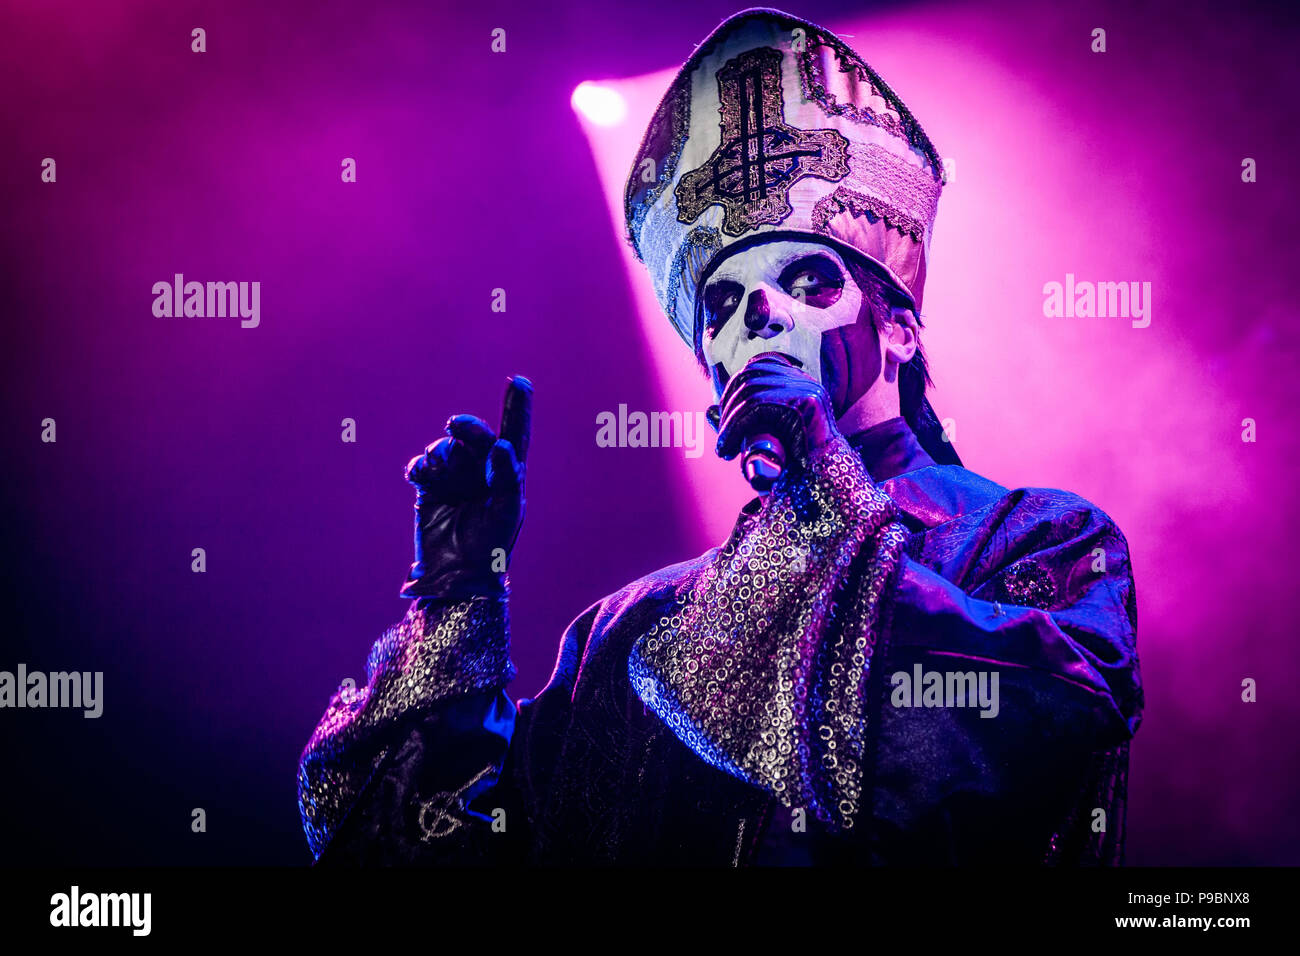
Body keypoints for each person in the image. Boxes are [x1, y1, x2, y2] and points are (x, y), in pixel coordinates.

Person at [297, 7, 1142, 865]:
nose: (759, 316)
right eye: (724, 306)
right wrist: (457, 599)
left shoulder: (1038, 538)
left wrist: (822, 481)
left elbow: (1016, 743)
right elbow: (425, 849)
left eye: (805, 278)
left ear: (899, 330)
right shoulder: (627, 635)